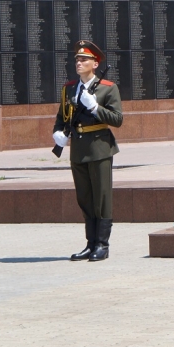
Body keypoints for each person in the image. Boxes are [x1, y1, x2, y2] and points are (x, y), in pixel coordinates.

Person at [52, 41, 123, 262]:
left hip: (100, 148)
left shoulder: (107, 88)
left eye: (84, 59)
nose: (79, 62)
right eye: (77, 59)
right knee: (84, 198)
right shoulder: (69, 88)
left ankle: (102, 245)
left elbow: (117, 119)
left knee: (101, 198)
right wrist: (58, 134)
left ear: (95, 63)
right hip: (78, 150)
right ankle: (90, 244)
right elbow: (61, 118)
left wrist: (94, 107)